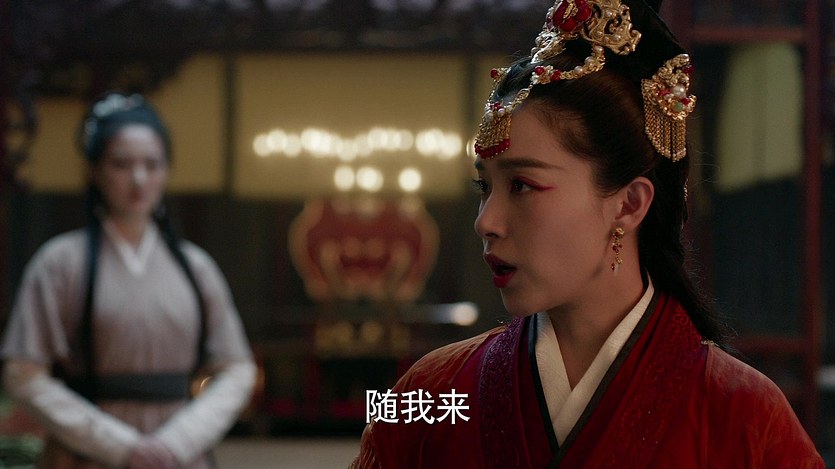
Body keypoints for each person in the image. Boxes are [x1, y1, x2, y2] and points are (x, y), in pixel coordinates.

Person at [353, 0, 825, 467]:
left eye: (522, 185)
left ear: (629, 203)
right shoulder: (430, 395)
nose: (486, 222)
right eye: (484, 187)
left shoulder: (744, 418)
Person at [1, 92, 256, 469]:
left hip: (177, 455)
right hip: (86, 454)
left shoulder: (196, 267)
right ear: (94, 170)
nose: (139, 179)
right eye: (121, 164)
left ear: (166, 171)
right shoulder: (59, 264)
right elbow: (23, 374)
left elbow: (238, 368)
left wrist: (178, 442)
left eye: (152, 164)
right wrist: (121, 447)